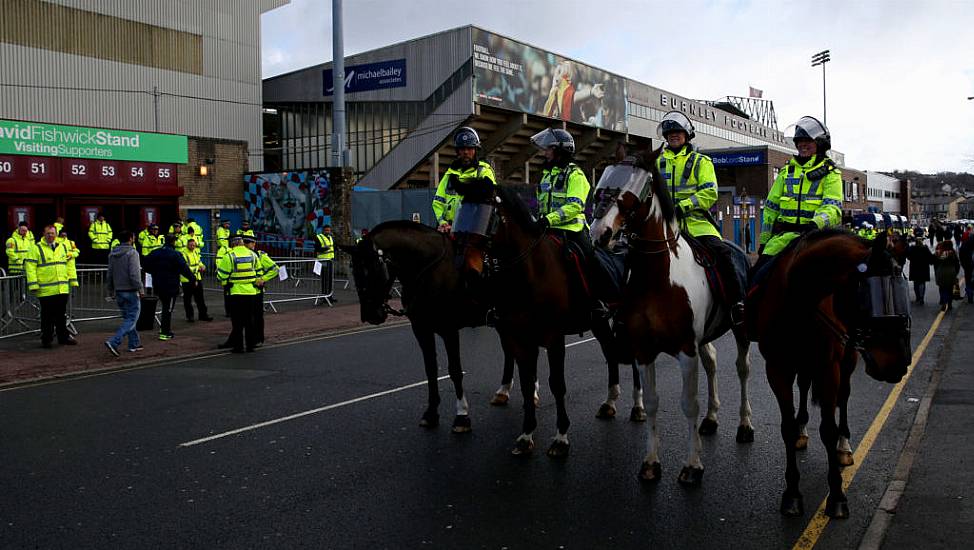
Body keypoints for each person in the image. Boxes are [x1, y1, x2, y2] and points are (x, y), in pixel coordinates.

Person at [654, 111, 745, 323]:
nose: (673, 136)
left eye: (677, 132)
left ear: (687, 134)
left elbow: (709, 192)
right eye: (669, 133)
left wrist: (682, 207)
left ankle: (736, 304)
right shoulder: (657, 162)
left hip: (697, 224)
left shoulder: (700, 161)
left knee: (723, 254)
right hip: (664, 225)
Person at [531, 127, 612, 317]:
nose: (545, 153)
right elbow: (541, 205)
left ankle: (599, 301)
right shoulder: (546, 174)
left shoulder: (576, 175)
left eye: (548, 149)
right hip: (547, 230)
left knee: (590, 259)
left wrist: (548, 220)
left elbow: (574, 206)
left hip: (572, 231)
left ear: (560, 150)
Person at [754, 116, 842, 274]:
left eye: (807, 141)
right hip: (782, 240)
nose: (802, 145)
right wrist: (764, 242)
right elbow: (770, 209)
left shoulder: (831, 173)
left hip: (816, 239)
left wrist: (816, 224)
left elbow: (833, 208)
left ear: (820, 143)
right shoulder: (786, 172)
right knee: (756, 276)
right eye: (799, 141)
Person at [431, 127, 497, 233]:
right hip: (450, 229)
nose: (466, 152)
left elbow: (489, 197)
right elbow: (438, 202)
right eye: (462, 149)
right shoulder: (450, 174)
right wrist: (442, 222)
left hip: (475, 231)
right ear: (458, 151)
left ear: (475, 150)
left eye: (470, 148)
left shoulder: (484, 171)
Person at [24, 225, 78, 348]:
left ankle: (63, 337)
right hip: (46, 289)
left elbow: (69, 265)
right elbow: (30, 267)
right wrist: (33, 284)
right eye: (48, 233)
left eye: (53, 233)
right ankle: (47, 339)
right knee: (47, 316)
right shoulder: (36, 248)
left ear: (56, 234)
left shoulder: (63, 247)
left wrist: (73, 280)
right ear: (44, 234)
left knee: (61, 315)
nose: (50, 235)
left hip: (62, 288)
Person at [216, 234, 262, 353]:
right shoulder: (252, 254)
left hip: (236, 293)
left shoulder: (229, 256)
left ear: (233, 244)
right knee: (249, 321)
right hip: (251, 292)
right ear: (242, 243)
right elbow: (259, 272)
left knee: (237, 322)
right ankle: (250, 345)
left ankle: (238, 347)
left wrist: (226, 282)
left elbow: (221, 275)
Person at [144, 233, 193, 340]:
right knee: (168, 309)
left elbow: (145, 264)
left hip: (157, 284)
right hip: (171, 286)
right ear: (173, 242)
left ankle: (164, 330)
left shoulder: (155, 252)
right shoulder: (175, 254)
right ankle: (165, 332)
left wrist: (154, 272)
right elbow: (184, 269)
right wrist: (192, 279)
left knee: (165, 306)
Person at [105, 230, 144, 355]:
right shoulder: (132, 253)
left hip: (119, 291)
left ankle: (134, 343)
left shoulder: (112, 253)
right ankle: (114, 341)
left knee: (128, 318)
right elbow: (134, 274)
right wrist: (140, 288)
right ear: (131, 239)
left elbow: (109, 273)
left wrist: (110, 289)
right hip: (131, 290)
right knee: (132, 319)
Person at [251, 235, 280, 346]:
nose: (252, 245)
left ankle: (258, 339)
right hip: (242, 292)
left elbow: (275, 269)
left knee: (257, 316)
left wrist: (263, 279)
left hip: (257, 291)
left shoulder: (260, 255)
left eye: (253, 243)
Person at [180, 237, 212, 322]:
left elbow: (198, 262)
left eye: (194, 245)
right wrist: (197, 269)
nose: (193, 247)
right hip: (187, 280)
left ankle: (203, 315)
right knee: (187, 300)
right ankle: (190, 316)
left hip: (197, 278)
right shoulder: (183, 253)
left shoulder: (195, 252)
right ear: (187, 245)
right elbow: (185, 267)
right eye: (191, 245)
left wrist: (202, 265)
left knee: (200, 298)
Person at [934, 240, 960, 312]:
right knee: (950, 289)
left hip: (941, 272)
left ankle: (943, 301)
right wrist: (956, 272)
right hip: (951, 272)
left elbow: (934, 262)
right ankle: (950, 304)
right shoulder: (953, 253)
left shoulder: (939, 253)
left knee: (942, 288)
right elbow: (957, 264)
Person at [906, 238, 934, 304]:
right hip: (924, 268)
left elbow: (908, 257)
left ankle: (918, 297)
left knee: (916, 283)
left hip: (914, 268)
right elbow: (930, 257)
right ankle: (922, 297)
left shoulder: (912, 249)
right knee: (922, 283)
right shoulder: (925, 248)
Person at [314, 225, 336, 298]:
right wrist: (324, 249)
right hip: (323, 261)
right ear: (323, 230)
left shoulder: (331, 237)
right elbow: (316, 249)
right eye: (326, 230)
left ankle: (329, 296)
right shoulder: (318, 237)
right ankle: (324, 296)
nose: (328, 232)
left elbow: (333, 247)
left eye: (329, 230)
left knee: (330, 279)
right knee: (324, 279)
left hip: (330, 261)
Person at [959, 233, 974, 304]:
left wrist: (963, 264)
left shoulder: (965, 244)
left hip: (968, 266)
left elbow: (961, 255)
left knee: (968, 281)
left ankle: (970, 297)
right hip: (969, 264)